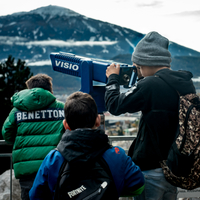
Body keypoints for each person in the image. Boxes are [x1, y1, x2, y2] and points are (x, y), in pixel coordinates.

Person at [105, 31, 196, 200]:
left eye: (137, 67)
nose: (138, 72)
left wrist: (112, 79)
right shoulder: (184, 83)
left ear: (145, 62)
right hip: (175, 168)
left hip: (151, 168)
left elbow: (115, 106)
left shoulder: (150, 85)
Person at [29, 91, 145, 199]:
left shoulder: (53, 159)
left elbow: (35, 196)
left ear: (65, 125)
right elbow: (138, 185)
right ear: (98, 120)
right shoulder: (116, 155)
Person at [2, 74, 65, 200]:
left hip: (27, 169)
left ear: (29, 89)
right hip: (54, 165)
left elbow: (6, 133)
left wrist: (22, 141)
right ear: (50, 90)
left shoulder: (17, 109)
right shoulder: (61, 108)